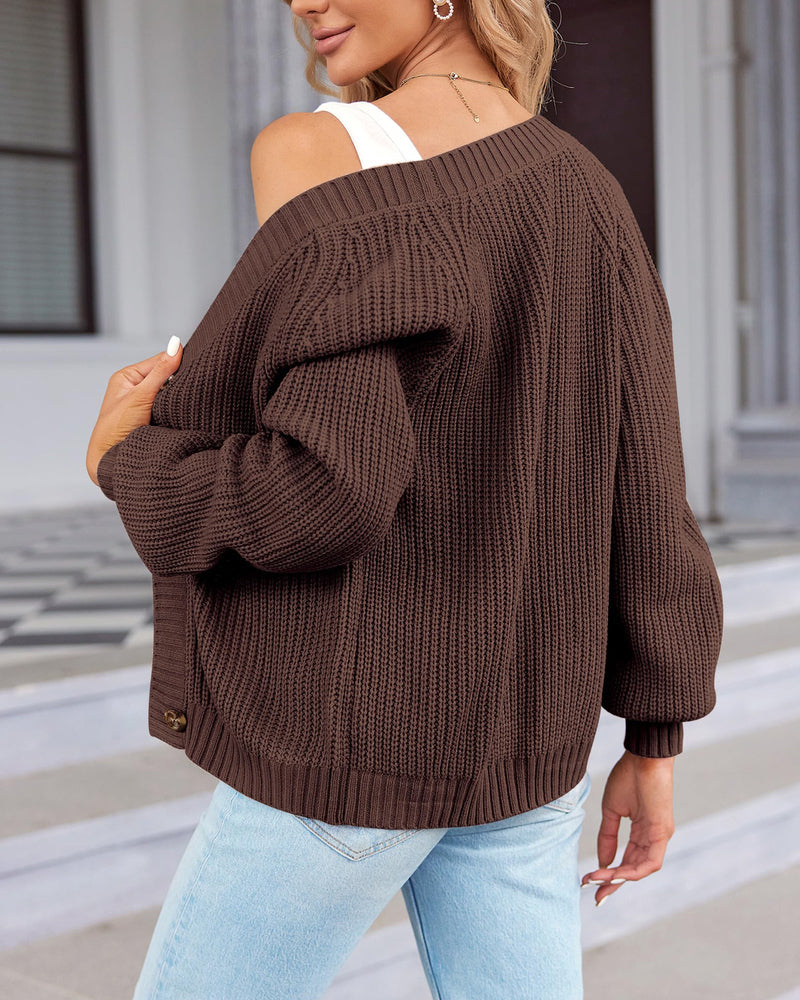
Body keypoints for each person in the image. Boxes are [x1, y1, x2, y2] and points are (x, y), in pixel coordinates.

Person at [86, 1, 724, 997]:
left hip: (354, 739)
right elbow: (646, 490)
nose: (303, 2)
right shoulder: (589, 193)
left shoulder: (323, 151)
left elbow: (320, 488)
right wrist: (654, 738)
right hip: (526, 748)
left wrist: (126, 461)